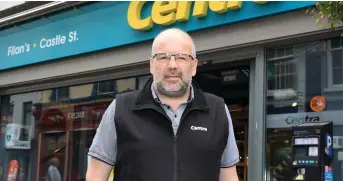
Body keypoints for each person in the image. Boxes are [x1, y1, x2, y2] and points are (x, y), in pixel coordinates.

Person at [86, 28, 240, 181]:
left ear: (193, 66)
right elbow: (96, 175)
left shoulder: (218, 110)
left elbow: (229, 176)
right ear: (151, 65)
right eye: (163, 57)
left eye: (181, 57)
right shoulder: (121, 108)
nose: (172, 65)